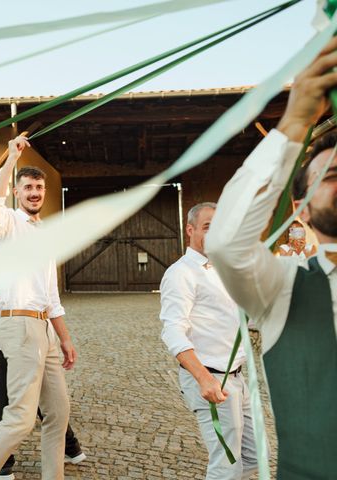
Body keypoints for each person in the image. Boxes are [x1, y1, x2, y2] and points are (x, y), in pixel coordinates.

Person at [206, 36, 337, 478]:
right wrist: (296, 121)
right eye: (332, 174)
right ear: (300, 206)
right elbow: (227, 244)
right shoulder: (284, 286)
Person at [0, 136, 77, 480]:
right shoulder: (9, 224)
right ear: (18, 192)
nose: (34, 193)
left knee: (58, 413)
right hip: (19, 327)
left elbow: (52, 296)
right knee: (20, 419)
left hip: (45, 329)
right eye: (28, 187)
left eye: (39, 188)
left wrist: (66, 339)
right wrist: (12, 158)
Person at [159, 202, 257, 479]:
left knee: (252, 456)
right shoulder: (181, 274)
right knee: (226, 466)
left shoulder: (222, 269)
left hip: (236, 378)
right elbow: (173, 331)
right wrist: (204, 379)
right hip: (212, 380)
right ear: (190, 230)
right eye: (207, 227)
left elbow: (243, 318)